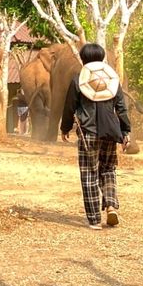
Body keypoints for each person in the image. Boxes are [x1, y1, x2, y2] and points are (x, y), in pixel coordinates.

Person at [60, 43, 131, 230]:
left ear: (83, 60)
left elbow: (69, 107)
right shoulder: (112, 80)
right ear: (102, 58)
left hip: (87, 134)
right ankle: (110, 206)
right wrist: (125, 132)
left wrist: (65, 127)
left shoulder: (78, 80)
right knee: (108, 170)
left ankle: (94, 220)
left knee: (89, 173)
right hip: (110, 132)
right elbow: (122, 109)